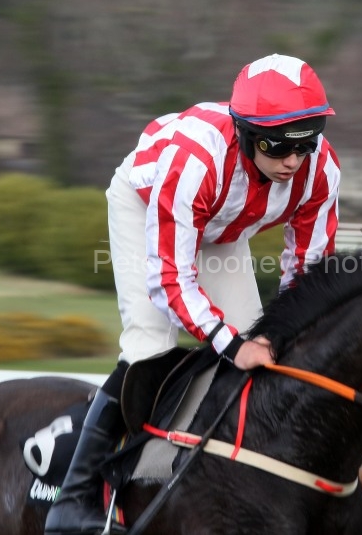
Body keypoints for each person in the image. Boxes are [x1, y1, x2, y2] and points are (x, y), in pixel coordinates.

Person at [44, 53, 340, 535]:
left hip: (221, 227)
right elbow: (170, 279)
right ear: (246, 133)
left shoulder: (320, 169)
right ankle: (73, 499)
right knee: (149, 346)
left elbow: (307, 274)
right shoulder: (197, 159)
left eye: (305, 143)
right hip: (147, 206)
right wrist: (230, 343)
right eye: (279, 145)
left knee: (262, 348)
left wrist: (276, 336)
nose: (293, 160)